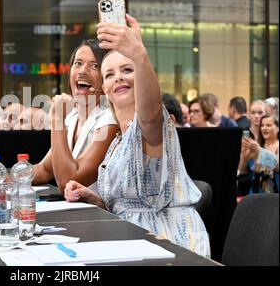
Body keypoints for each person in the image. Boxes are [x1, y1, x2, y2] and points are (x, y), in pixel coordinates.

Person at [64, 15, 210, 257]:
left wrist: (140, 55)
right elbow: (125, 203)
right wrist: (95, 198)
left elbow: (149, 112)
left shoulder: (150, 124)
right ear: (105, 90)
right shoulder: (117, 141)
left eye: (127, 70)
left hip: (169, 245)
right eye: (109, 74)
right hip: (129, 239)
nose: (118, 77)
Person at [32, 39, 119, 193]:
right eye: (78, 63)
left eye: (95, 66)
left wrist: (57, 120)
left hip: (101, 215)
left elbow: (68, 182)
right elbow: (45, 170)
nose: (82, 71)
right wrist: (5, 177)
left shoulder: (111, 119)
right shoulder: (72, 116)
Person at [237, 114, 279, 195]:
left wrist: (259, 150)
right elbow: (243, 172)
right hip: (254, 196)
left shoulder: (260, 148)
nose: (264, 128)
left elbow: (277, 165)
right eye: (262, 125)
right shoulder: (257, 146)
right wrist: (244, 158)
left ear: (278, 128)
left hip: (274, 198)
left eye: (269, 125)